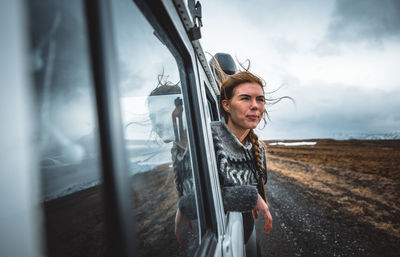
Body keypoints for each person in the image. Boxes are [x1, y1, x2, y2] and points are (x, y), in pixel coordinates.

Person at [176, 56, 274, 252]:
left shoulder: (257, 148)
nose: (255, 106)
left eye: (260, 99)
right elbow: (190, 202)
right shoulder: (205, 138)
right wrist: (250, 196)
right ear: (226, 105)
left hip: (243, 236)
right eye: (245, 98)